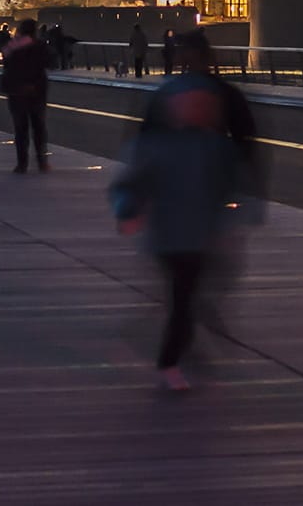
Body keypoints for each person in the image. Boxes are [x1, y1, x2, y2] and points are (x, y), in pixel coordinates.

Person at [108, 32, 260, 392]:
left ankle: (183, 336)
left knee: (189, 286)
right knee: (190, 287)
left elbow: (137, 161)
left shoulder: (177, 117)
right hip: (187, 220)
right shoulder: (214, 119)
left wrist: (130, 208)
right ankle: (176, 351)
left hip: (191, 218)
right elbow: (243, 154)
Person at [0, 18, 53, 172]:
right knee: (38, 126)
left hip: (16, 90)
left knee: (20, 128)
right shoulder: (39, 46)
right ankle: (42, 161)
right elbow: (49, 62)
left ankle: (22, 163)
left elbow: (7, 65)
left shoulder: (12, 46)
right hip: (36, 90)